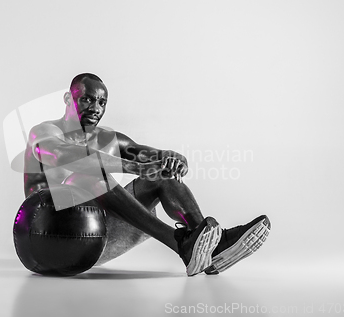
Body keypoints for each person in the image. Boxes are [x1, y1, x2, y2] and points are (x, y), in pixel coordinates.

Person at [23, 73, 270, 276]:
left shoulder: (109, 139)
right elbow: (61, 155)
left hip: (95, 236)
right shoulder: (44, 131)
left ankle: (213, 249)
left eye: (101, 103)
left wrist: (172, 159)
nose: (95, 108)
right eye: (87, 100)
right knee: (87, 177)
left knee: (160, 177)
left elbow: (154, 157)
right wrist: (134, 167)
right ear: (68, 98)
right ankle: (180, 243)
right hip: (44, 239)